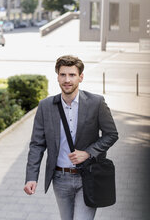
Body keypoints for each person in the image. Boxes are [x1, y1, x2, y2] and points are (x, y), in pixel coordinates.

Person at [24, 55, 118, 220]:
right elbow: (37, 145)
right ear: (58, 77)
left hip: (88, 177)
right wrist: (31, 177)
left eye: (72, 75)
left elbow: (111, 134)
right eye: (63, 75)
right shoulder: (45, 106)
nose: (67, 80)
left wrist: (88, 153)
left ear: (81, 77)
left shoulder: (96, 103)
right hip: (60, 180)